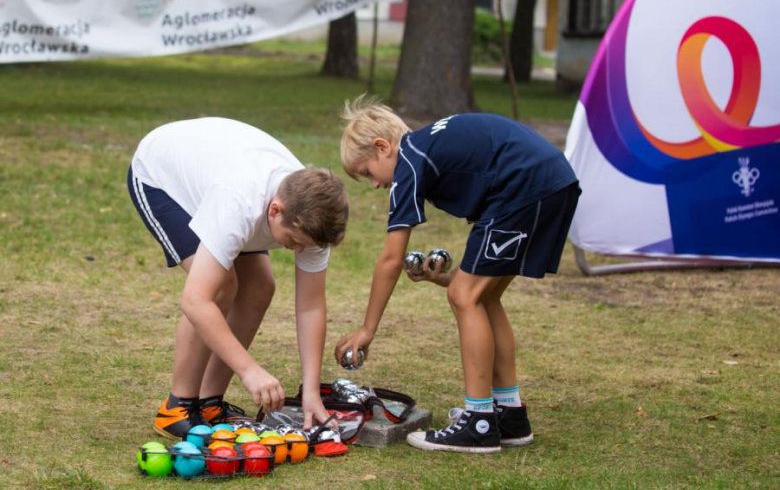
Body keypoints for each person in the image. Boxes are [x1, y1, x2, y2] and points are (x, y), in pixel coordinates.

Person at [334, 97, 580, 454]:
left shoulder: (409, 162)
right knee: (482, 295)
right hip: (548, 180)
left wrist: (367, 328)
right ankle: (509, 415)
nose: (373, 185)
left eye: (368, 173)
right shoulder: (430, 147)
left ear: (382, 147)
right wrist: (446, 277)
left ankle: (478, 423)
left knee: (465, 296)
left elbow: (391, 258)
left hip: (526, 184)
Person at [128, 117, 349, 440]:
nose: (298, 250)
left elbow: (311, 307)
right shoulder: (239, 203)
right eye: (295, 241)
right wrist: (250, 371)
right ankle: (176, 407)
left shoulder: (314, 219)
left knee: (260, 287)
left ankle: (209, 403)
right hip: (161, 176)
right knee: (221, 287)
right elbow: (195, 300)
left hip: (220, 171)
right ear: (275, 210)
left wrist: (311, 393)